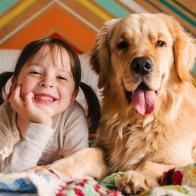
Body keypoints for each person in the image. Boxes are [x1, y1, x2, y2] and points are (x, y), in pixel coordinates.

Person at [0, 37, 100, 173]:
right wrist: (41, 124)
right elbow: (6, 177)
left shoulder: (73, 116)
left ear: (73, 95)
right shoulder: (4, 117)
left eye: (61, 77)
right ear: (14, 84)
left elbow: (78, 170)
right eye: (35, 72)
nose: (47, 82)